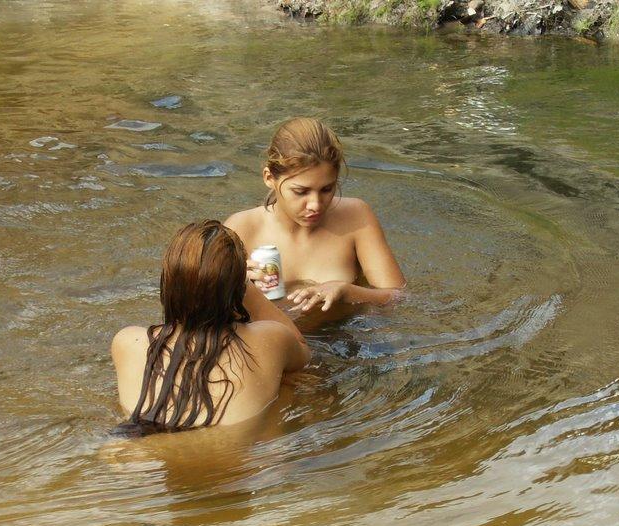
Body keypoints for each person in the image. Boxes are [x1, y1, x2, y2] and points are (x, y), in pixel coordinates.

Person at [111, 220, 311, 435]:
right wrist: (248, 288)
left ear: (167, 283)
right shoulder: (271, 339)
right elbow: (303, 354)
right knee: (289, 385)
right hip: (232, 456)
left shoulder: (127, 342)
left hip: (142, 457)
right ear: (237, 288)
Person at [224, 117, 406, 314]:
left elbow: (398, 297)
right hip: (272, 339)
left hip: (343, 336)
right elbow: (205, 311)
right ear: (269, 178)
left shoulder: (356, 217)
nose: (315, 205)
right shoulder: (241, 229)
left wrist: (347, 292)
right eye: (301, 192)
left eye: (327, 189)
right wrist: (240, 289)